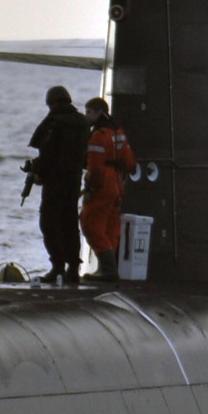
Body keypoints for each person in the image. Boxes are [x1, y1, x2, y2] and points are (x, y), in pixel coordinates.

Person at [23, 86, 90, 285]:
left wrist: (37, 173)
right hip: (73, 182)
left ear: (52, 102)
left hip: (55, 183)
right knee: (69, 225)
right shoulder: (82, 123)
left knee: (49, 224)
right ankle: (73, 269)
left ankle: (58, 267)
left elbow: (49, 155)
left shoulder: (55, 123)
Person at [79, 96, 136, 280]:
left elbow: (94, 168)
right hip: (117, 183)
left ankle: (108, 269)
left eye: (88, 112)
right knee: (110, 226)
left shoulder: (98, 136)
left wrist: (90, 189)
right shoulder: (118, 132)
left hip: (103, 184)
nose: (86, 116)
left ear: (98, 113)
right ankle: (107, 269)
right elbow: (129, 163)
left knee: (91, 224)